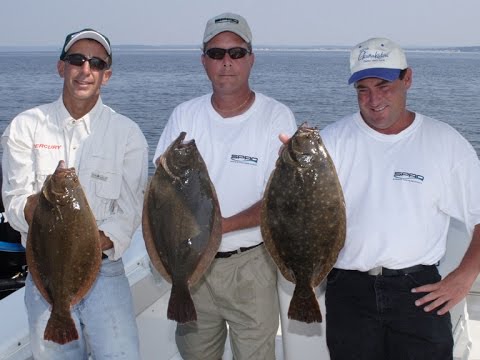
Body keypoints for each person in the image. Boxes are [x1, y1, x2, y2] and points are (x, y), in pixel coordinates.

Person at [316, 37, 480, 359]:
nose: (374, 99)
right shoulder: (329, 142)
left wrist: (464, 276)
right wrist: (289, 168)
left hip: (419, 292)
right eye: (363, 89)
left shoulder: (444, 142)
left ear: (407, 79)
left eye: (384, 85)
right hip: (347, 292)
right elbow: (297, 215)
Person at [153, 12, 297, 360]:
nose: (227, 62)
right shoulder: (184, 116)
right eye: (217, 53)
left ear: (251, 59)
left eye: (237, 52)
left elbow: (280, 202)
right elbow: (160, 194)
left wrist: (218, 228)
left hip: (250, 268)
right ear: (204, 60)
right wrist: (196, 242)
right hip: (189, 269)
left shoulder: (276, 117)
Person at [1, 28, 148, 359]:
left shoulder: (127, 134)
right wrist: (40, 206)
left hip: (106, 273)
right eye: (76, 60)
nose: (85, 70)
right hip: (46, 277)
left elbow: (129, 211)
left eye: (96, 63)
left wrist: (85, 245)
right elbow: (14, 203)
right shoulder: (25, 127)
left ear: (106, 75)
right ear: (61, 67)